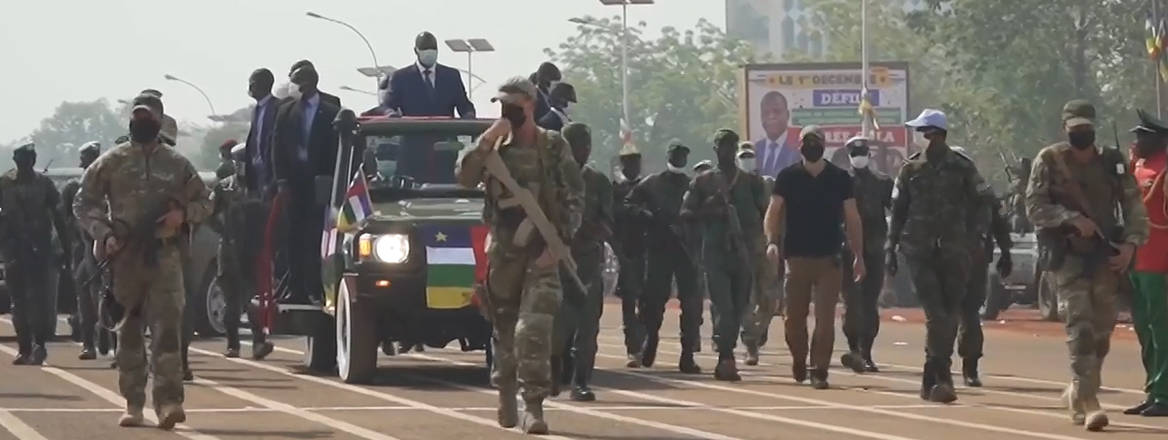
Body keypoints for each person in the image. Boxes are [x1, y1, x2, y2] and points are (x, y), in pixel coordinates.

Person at [74, 93, 212, 429]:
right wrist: (104, 233)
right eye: (137, 117)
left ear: (159, 121)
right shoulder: (111, 161)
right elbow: (83, 202)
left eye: (148, 117)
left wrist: (183, 216)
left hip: (165, 257)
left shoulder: (177, 164)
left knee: (167, 331)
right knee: (130, 332)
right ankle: (133, 403)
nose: (142, 122)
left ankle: (168, 402)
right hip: (125, 259)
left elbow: (205, 202)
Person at [455, 76, 584, 434]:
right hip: (504, 254)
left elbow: (575, 196)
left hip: (542, 253)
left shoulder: (553, 146)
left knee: (534, 329)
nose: (507, 110)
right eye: (502, 104)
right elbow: (464, 177)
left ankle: (534, 406)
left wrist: (559, 243)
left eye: (514, 104)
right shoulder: (492, 148)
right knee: (506, 333)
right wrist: (486, 141)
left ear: (530, 105)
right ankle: (506, 390)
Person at [1027, 100, 1147, 430]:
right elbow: (1034, 207)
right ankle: (1089, 400)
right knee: (1079, 327)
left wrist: (1130, 245)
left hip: (1105, 255)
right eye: (1075, 129)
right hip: (1067, 256)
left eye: (1086, 129)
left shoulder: (1112, 161)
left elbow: (1134, 205)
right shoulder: (1050, 160)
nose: (1082, 134)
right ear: (1065, 128)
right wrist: (1070, 218)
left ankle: (1077, 389)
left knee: (1102, 334)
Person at [888, 109, 991, 404]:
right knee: (937, 314)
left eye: (922, 133)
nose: (918, 139)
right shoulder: (909, 170)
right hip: (919, 252)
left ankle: (931, 374)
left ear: (934, 135)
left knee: (948, 314)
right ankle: (941, 375)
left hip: (955, 252)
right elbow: (898, 212)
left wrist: (977, 236)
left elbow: (984, 202)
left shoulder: (962, 168)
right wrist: (890, 249)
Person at [764, 126, 864, 389]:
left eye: (816, 142)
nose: (812, 146)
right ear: (800, 146)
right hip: (796, 258)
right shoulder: (787, 177)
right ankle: (799, 357)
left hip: (829, 258)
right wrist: (772, 242)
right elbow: (773, 212)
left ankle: (819, 369)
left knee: (824, 318)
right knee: (793, 318)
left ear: (824, 145)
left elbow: (852, 218)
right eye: (807, 142)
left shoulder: (840, 178)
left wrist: (859, 255)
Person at [682, 129, 769, 381]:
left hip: (743, 253)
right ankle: (726, 357)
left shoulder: (752, 183)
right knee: (725, 307)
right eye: (722, 146)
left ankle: (728, 351)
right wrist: (707, 211)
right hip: (715, 253)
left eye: (731, 146)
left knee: (741, 307)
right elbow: (685, 214)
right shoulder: (703, 182)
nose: (726, 151)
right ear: (715, 150)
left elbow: (765, 215)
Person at [627, 141, 703, 374]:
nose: (678, 158)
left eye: (682, 155)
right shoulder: (652, 183)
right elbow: (629, 203)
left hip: (685, 250)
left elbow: (702, 212)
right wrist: (646, 215)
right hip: (659, 248)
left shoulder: (692, 185)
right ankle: (651, 337)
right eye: (675, 154)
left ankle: (687, 353)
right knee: (653, 301)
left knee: (691, 304)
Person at [552, 122, 613, 401]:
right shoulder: (551, 178)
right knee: (557, 326)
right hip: (554, 263)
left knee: (588, 328)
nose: (584, 150)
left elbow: (610, 223)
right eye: (579, 145)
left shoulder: (599, 181)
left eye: (588, 145)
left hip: (588, 262)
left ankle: (581, 381)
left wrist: (594, 229)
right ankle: (553, 372)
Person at [272, 65, 342, 305]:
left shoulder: (331, 110)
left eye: (295, 81)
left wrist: (334, 181)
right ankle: (296, 288)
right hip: (294, 183)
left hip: (321, 185)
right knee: (293, 237)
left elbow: (338, 150)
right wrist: (281, 181)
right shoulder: (285, 111)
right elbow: (277, 149)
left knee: (317, 237)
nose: (291, 86)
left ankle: (317, 288)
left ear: (308, 83)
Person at [0, 143, 71, 366]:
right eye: (21, 159)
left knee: (39, 300)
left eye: (29, 159)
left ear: (33, 159)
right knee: (18, 301)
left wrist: (65, 248)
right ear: (15, 160)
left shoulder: (45, 185)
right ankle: (24, 348)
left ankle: (39, 345)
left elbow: (59, 217)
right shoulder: (5, 183)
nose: (25, 163)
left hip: (40, 249)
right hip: (13, 249)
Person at [949, 145, 1013, 387]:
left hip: (971, 259)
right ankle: (949, 367)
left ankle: (969, 367)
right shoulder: (943, 191)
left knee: (966, 314)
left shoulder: (980, 192)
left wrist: (1006, 252)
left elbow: (999, 223)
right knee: (950, 316)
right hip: (948, 259)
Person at [211, 144, 274, 360]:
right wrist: (225, 232)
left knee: (254, 299)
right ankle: (233, 345)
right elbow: (209, 214)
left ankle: (258, 343)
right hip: (230, 250)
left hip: (254, 250)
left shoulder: (263, 188)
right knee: (232, 299)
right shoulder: (224, 187)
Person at [1126, 109, 1168, 417]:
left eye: (1143, 136)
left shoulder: (1164, 170)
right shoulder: (1137, 168)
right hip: (1136, 262)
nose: (1137, 141)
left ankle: (1165, 394)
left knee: (1162, 329)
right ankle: (1153, 389)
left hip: (1159, 262)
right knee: (1144, 329)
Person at [838, 136, 893, 373]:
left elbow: (897, 210)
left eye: (862, 152)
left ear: (869, 155)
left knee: (870, 303)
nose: (859, 156)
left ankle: (866, 352)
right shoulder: (839, 181)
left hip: (874, 249)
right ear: (849, 156)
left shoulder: (882, 182)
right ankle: (854, 349)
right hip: (846, 250)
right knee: (851, 303)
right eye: (854, 152)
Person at [735, 144, 782, 366]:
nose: (747, 160)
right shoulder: (731, 186)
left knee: (770, 298)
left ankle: (758, 331)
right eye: (743, 157)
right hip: (740, 247)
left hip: (764, 246)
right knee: (746, 297)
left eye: (750, 156)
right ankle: (750, 342)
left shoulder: (767, 184)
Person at [62, 142, 102, 360]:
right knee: (85, 298)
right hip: (83, 249)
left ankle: (107, 341)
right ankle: (89, 344)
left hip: (105, 247)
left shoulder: (108, 184)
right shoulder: (73, 187)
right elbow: (66, 219)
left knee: (106, 296)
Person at [381, 32, 476, 118]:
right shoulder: (400, 77)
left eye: (433, 49)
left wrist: (469, 114)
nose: (429, 52)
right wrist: (390, 113)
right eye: (425, 49)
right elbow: (386, 106)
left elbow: (464, 105)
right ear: (416, 50)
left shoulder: (451, 76)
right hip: (413, 134)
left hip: (445, 134)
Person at [612, 144, 647, 367]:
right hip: (625, 250)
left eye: (635, 162)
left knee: (648, 301)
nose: (632, 166)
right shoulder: (615, 190)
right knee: (628, 302)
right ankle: (632, 347)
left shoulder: (648, 188)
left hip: (647, 250)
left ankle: (641, 338)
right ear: (622, 164)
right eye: (628, 162)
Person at [245, 68, 280, 196]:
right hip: (256, 172)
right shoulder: (255, 110)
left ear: (262, 84)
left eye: (252, 83)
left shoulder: (279, 107)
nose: (249, 88)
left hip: (271, 172)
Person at [754, 91, 801, 177]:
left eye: (777, 111)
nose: (771, 116)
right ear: (761, 117)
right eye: (766, 113)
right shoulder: (755, 150)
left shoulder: (798, 149)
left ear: (787, 115)